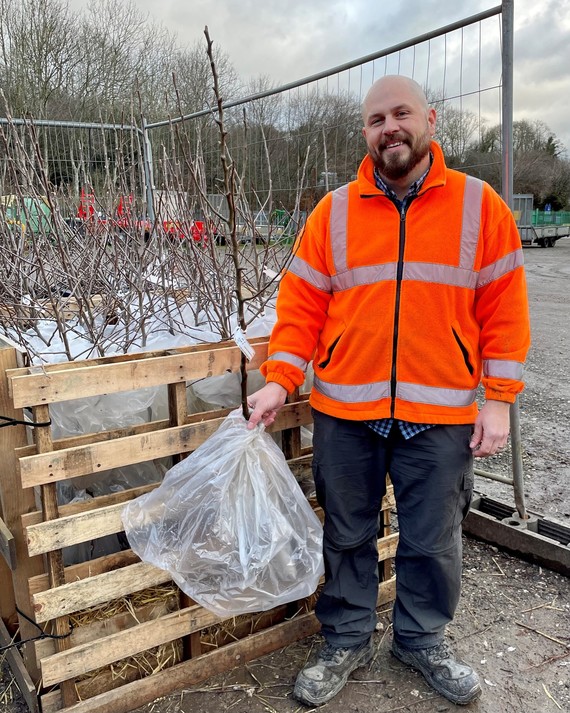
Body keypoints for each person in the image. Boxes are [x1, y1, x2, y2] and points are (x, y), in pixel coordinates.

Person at [246, 75, 530, 707]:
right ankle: (345, 636)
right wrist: (277, 381)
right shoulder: (333, 213)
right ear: (366, 134)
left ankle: (421, 639)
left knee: (434, 537)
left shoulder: (481, 207)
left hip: (441, 412)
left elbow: (505, 313)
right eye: (376, 120)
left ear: (430, 119)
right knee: (346, 533)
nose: (389, 128)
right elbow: (300, 310)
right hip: (347, 410)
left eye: (401, 114)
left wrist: (501, 398)